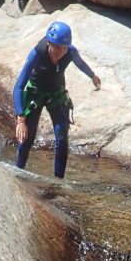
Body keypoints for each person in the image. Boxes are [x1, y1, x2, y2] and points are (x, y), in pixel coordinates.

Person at [12, 20, 101, 179]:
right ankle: (17, 174)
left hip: (57, 93)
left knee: (62, 138)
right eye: (58, 47)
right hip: (36, 92)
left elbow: (80, 63)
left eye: (65, 47)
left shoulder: (70, 52)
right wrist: (20, 119)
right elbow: (18, 87)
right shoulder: (36, 54)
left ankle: (58, 181)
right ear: (49, 43)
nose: (62, 51)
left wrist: (93, 76)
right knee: (27, 137)